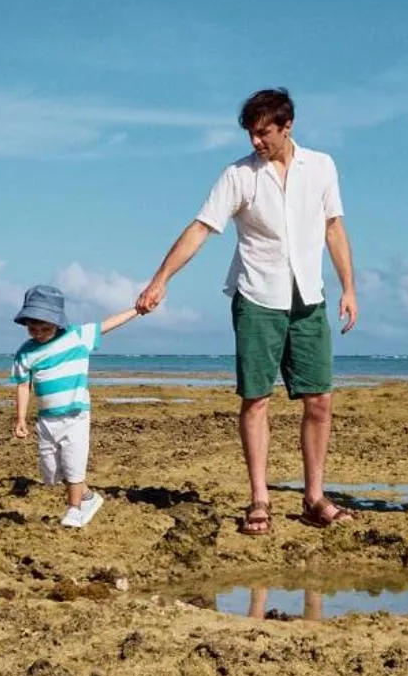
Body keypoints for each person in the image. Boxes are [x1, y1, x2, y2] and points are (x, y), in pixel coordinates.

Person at [137, 87, 358, 536]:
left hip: (308, 298)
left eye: (264, 132)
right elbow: (201, 229)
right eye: (251, 134)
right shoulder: (238, 176)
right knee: (256, 398)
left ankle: (314, 496)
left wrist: (349, 288)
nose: (256, 141)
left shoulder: (322, 167)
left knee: (320, 400)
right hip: (257, 296)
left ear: (287, 125)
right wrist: (160, 280)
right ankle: (260, 498)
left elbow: (334, 228)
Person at [9, 284, 146, 528]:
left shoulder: (76, 336)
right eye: (33, 329)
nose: (39, 333)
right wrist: (20, 419)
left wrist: (137, 309)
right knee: (51, 474)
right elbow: (22, 386)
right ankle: (88, 497)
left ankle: (74, 509)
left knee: (74, 465)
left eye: (45, 328)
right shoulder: (25, 353)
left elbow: (108, 325)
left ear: (58, 323)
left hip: (75, 416)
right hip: (46, 420)